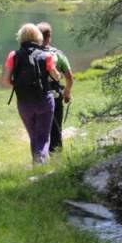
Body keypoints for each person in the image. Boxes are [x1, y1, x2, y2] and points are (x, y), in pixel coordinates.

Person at [0, 24, 62, 164]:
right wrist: (57, 76)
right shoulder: (46, 56)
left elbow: (6, 80)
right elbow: (55, 76)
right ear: (38, 38)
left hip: (24, 102)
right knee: (44, 137)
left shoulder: (13, 55)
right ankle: (40, 162)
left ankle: (36, 162)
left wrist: (19, 85)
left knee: (34, 136)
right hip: (44, 100)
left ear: (21, 38)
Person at [36, 22, 73, 154]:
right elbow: (69, 77)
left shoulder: (31, 54)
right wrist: (67, 93)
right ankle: (56, 160)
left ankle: (39, 160)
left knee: (39, 131)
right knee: (56, 130)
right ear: (49, 36)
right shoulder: (57, 54)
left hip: (35, 97)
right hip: (54, 96)